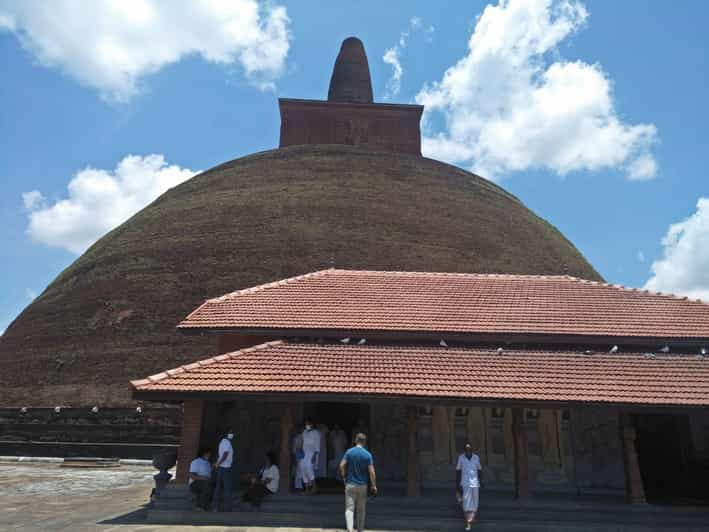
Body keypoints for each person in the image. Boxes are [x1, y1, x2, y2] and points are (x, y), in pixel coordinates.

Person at [339, 433, 377, 532]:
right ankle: (360, 529)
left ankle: (350, 529)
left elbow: (342, 465)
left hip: (350, 484)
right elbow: (372, 472)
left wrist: (343, 476)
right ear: (364, 442)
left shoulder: (349, 452)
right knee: (361, 510)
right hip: (362, 485)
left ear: (356, 440)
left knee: (349, 509)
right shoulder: (368, 455)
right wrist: (373, 485)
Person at [456, 442, 483, 530]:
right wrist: (457, 484)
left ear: (471, 449)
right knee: (466, 503)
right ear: (464, 450)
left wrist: (481, 481)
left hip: (475, 483)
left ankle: (472, 519)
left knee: (475, 502)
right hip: (465, 483)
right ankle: (468, 523)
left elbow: (479, 470)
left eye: (469, 448)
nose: (468, 450)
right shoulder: (461, 458)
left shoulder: (476, 458)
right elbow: (458, 471)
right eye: (466, 449)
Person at [212, 428, 235, 511]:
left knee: (218, 487)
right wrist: (218, 463)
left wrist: (217, 464)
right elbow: (225, 454)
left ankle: (215, 507)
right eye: (230, 432)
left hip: (222, 467)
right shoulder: (226, 442)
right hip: (225, 468)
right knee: (226, 488)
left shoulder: (223, 442)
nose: (232, 434)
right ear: (226, 434)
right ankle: (227, 507)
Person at [301, 418, 321, 494]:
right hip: (304, 453)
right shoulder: (304, 432)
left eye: (308, 424)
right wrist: (300, 450)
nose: (306, 425)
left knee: (309, 468)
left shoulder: (316, 433)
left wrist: (314, 456)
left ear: (312, 424)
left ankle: (314, 487)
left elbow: (317, 445)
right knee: (303, 468)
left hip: (312, 453)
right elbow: (302, 442)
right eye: (305, 424)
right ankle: (306, 489)